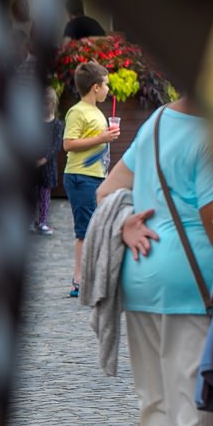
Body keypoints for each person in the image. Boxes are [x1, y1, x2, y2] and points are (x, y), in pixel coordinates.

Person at [97, 100, 213, 426]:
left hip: (143, 273)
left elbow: (108, 190)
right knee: (196, 413)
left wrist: (128, 223)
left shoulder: (156, 120)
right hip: (191, 281)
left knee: (156, 411)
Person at [63, 62, 120, 297]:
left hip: (96, 175)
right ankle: (80, 280)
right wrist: (100, 138)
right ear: (95, 87)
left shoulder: (96, 111)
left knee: (97, 227)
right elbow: (68, 143)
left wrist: (105, 138)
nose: (108, 89)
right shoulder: (78, 111)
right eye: (106, 85)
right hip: (81, 177)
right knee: (84, 231)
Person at [36, 88, 64, 236]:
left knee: (45, 196)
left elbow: (56, 146)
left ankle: (42, 222)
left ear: (53, 103)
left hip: (48, 167)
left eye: (46, 103)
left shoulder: (57, 125)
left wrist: (43, 159)